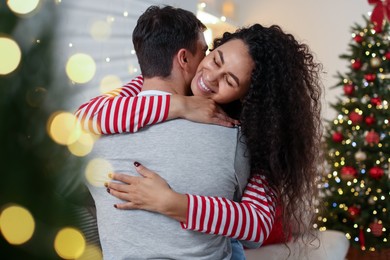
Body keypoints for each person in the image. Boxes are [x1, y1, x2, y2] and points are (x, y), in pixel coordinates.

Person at [77, 6, 323, 260]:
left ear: (249, 97)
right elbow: (83, 119)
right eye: (215, 58)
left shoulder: (254, 137)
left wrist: (172, 202)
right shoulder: (139, 96)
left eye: (230, 81)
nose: (210, 76)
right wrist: (180, 105)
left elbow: (256, 225)